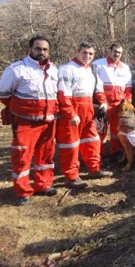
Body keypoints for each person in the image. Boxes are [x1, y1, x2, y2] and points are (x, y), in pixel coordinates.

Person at [0, 36, 59, 205]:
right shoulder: (16, 69)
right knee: (22, 156)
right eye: (38, 49)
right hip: (26, 122)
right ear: (30, 49)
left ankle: (44, 185)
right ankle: (22, 190)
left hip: (48, 121)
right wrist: (19, 109)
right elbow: (4, 94)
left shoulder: (53, 69)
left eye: (45, 49)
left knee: (46, 155)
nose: (41, 52)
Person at [57, 42, 113, 190]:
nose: (87, 56)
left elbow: (98, 89)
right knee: (71, 144)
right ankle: (71, 176)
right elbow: (63, 94)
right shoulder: (67, 69)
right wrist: (70, 113)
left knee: (93, 140)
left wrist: (102, 102)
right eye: (84, 53)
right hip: (73, 110)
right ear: (77, 52)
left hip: (88, 108)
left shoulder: (91, 70)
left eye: (90, 54)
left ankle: (94, 169)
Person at [93, 43, 132, 161]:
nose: (117, 54)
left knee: (117, 130)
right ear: (109, 51)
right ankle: (98, 155)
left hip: (119, 104)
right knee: (101, 130)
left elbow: (128, 87)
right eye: (115, 51)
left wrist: (127, 101)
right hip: (103, 104)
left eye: (119, 52)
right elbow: (95, 86)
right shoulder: (98, 64)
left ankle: (116, 152)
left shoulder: (125, 67)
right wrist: (102, 102)